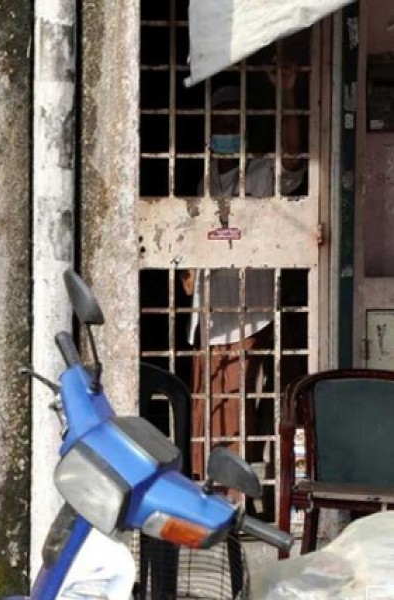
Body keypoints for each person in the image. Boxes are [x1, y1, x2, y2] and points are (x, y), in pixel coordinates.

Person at [183, 63, 305, 484]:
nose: (225, 126)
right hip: (209, 312)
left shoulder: (258, 172)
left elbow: (292, 161)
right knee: (206, 408)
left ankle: (230, 496)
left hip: (247, 313)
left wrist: (288, 96)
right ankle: (206, 487)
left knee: (233, 408)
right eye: (219, 120)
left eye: (232, 119)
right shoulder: (204, 178)